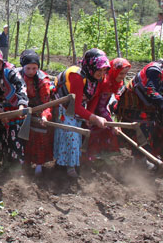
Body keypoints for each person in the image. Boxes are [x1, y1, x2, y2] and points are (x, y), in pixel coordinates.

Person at [114, 51, 163, 169]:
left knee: (154, 128)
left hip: (150, 105)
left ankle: (149, 156)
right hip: (134, 103)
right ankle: (139, 160)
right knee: (141, 128)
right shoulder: (155, 70)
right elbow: (151, 91)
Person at [52, 49, 110, 178]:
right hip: (63, 104)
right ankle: (68, 167)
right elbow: (76, 107)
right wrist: (93, 117)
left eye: (104, 70)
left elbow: (95, 96)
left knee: (76, 134)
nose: (101, 74)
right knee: (71, 132)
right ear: (90, 67)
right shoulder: (77, 77)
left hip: (77, 104)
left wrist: (89, 114)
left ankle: (67, 163)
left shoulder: (99, 78)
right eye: (99, 70)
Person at [85, 57, 131, 161]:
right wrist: (112, 123)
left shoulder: (114, 82)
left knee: (109, 131)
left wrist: (112, 121)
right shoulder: (106, 82)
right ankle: (92, 160)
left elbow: (107, 103)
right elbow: (100, 106)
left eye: (125, 74)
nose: (123, 76)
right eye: (121, 73)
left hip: (101, 111)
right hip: (93, 110)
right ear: (114, 71)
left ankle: (105, 160)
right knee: (98, 133)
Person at [18, 49, 54, 176]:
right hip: (23, 109)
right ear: (23, 67)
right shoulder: (17, 76)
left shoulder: (43, 80)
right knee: (23, 138)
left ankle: (39, 167)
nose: (31, 71)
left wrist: (45, 116)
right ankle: (23, 164)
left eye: (34, 68)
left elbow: (47, 103)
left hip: (40, 110)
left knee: (39, 138)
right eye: (28, 68)